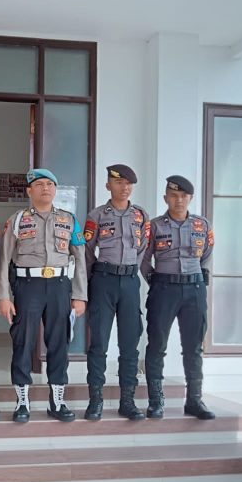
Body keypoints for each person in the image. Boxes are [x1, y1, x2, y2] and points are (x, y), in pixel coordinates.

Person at [0, 168, 88, 423]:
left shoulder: (69, 220)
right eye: (39, 184)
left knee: (59, 343)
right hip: (28, 286)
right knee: (23, 341)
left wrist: (80, 295)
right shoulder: (17, 220)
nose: (45, 188)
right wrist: (3, 295)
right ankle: (22, 402)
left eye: (49, 184)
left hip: (60, 286)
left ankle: (57, 401)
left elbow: (80, 260)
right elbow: (3, 260)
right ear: (29, 191)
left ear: (55, 190)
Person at [141, 175, 215, 420]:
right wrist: (156, 281)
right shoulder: (154, 226)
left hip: (194, 290)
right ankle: (156, 401)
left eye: (183, 196)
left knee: (193, 348)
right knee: (157, 345)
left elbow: (207, 254)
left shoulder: (202, 225)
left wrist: (199, 279)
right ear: (166, 198)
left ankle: (194, 400)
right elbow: (143, 259)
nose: (179, 200)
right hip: (164, 289)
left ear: (190, 198)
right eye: (174, 195)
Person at [83, 165, 149, 421]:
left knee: (130, 344)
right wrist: (93, 280)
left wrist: (131, 270)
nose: (125, 187)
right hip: (103, 281)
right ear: (108, 185)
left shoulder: (140, 215)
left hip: (130, 283)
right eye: (119, 182)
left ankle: (127, 401)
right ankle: (95, 400)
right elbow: (87, 251)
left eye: (129, 183)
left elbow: (143, 249)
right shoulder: (97, 215)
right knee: (98, 342)